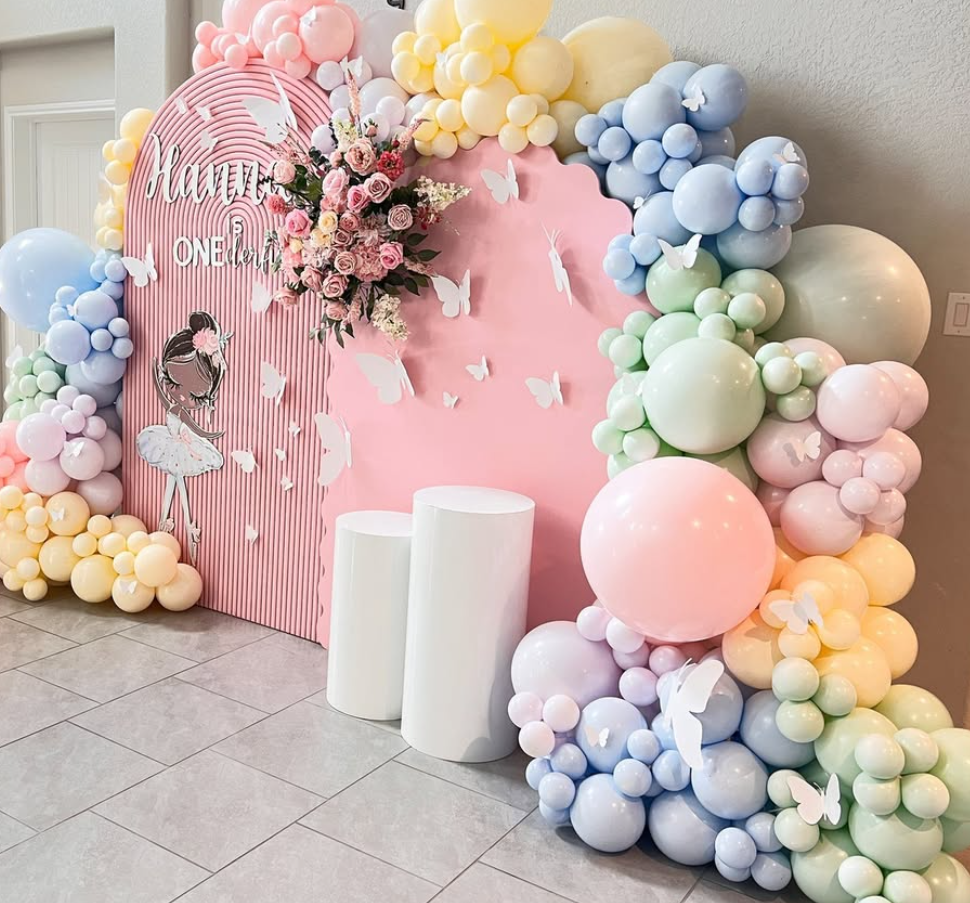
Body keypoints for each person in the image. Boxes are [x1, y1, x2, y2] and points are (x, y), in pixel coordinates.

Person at [136, 311, 230, 563]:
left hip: (181, 448)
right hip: (168, 444)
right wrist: (157, 376)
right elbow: (160, 392)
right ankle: (171, 523)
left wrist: (212, 434)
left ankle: (184, 524)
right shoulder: (174, 406)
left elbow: (196, 429)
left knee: (178, 484)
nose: (179, 396)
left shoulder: (180, 411)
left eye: (196, 397)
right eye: (172, 382)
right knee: (174, 482)